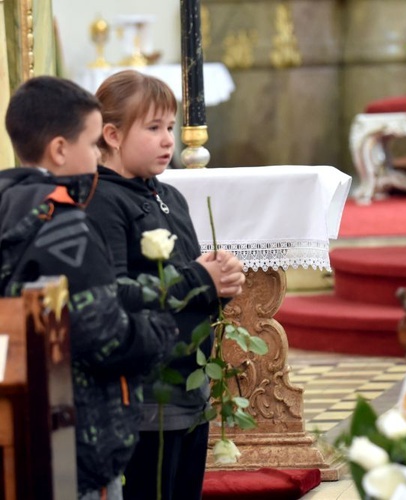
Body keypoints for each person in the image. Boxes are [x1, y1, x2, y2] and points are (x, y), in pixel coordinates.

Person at [0, 76, 179, 499]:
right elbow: (102, 334)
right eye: (95, 143)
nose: (100, 155)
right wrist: (160, 330)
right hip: (70, 437)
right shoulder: (65, 224)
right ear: (60, 149)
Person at [86, 70, 245, 500]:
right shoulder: (102, 201)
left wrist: (220, 280)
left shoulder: (169, 196)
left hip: (188, 385)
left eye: (170, 127)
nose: (167, 140)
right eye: (153, 128)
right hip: (144, 395)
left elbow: (188, 274)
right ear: (112, 135)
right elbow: (114, 292)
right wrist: (200, 278)